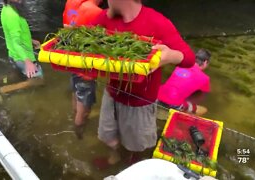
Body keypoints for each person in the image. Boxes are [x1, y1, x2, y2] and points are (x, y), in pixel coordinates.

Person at [92, 0, 196, 168]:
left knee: (137, 144)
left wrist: (169, 56)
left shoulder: (157, 22)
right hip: (112, 93)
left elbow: (189, 58)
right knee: (108, 134)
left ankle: (135, 163)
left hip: (140, 101)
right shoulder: (104, 17)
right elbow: (86, 39)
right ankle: (115, 157)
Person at [62, 0, 103, 139]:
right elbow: (100, 43)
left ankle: (75, 115)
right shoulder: (95, 12)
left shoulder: (71, 2)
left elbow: (65, 28)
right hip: (86, 71)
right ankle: (79, 134)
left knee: (76, 92)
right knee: (84, 107)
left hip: (72, 59)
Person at [157, 49, 211, 116]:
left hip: (158, 95)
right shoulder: (205, 78)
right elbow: (200, 98)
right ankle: (177, 116)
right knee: (203, 109)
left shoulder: (181, 65)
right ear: (205, 62)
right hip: (174, 104)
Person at [0, 0, 43, 80]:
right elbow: (16, 42)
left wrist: (31, 40)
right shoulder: (12, 15)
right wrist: (28, 61)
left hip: (14, 55)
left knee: (18, 77)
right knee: (40, 78)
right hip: (22, 58)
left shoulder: (6, 8)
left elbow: (18, 33)